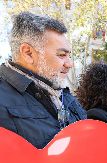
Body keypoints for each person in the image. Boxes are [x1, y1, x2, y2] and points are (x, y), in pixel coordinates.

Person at [0, 12, 86, 147]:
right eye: (62, 55)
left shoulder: (65, 96)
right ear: (28, 53)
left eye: (69, 56)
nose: (69, 64)